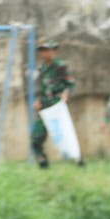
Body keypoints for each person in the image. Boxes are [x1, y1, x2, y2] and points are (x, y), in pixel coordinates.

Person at [30, 37, 75, 169]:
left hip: (57, 107)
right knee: (36, 138)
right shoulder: (42, 68)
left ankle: (77, 161)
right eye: (42, 50)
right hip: (45, 108)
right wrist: (38, 101)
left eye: (47, 50)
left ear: (53, 51)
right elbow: (42, 88)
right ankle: (43, 164)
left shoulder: (60, 67)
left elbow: (70, 84)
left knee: (65, 137)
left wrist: (65, 93)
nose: (45, 53)